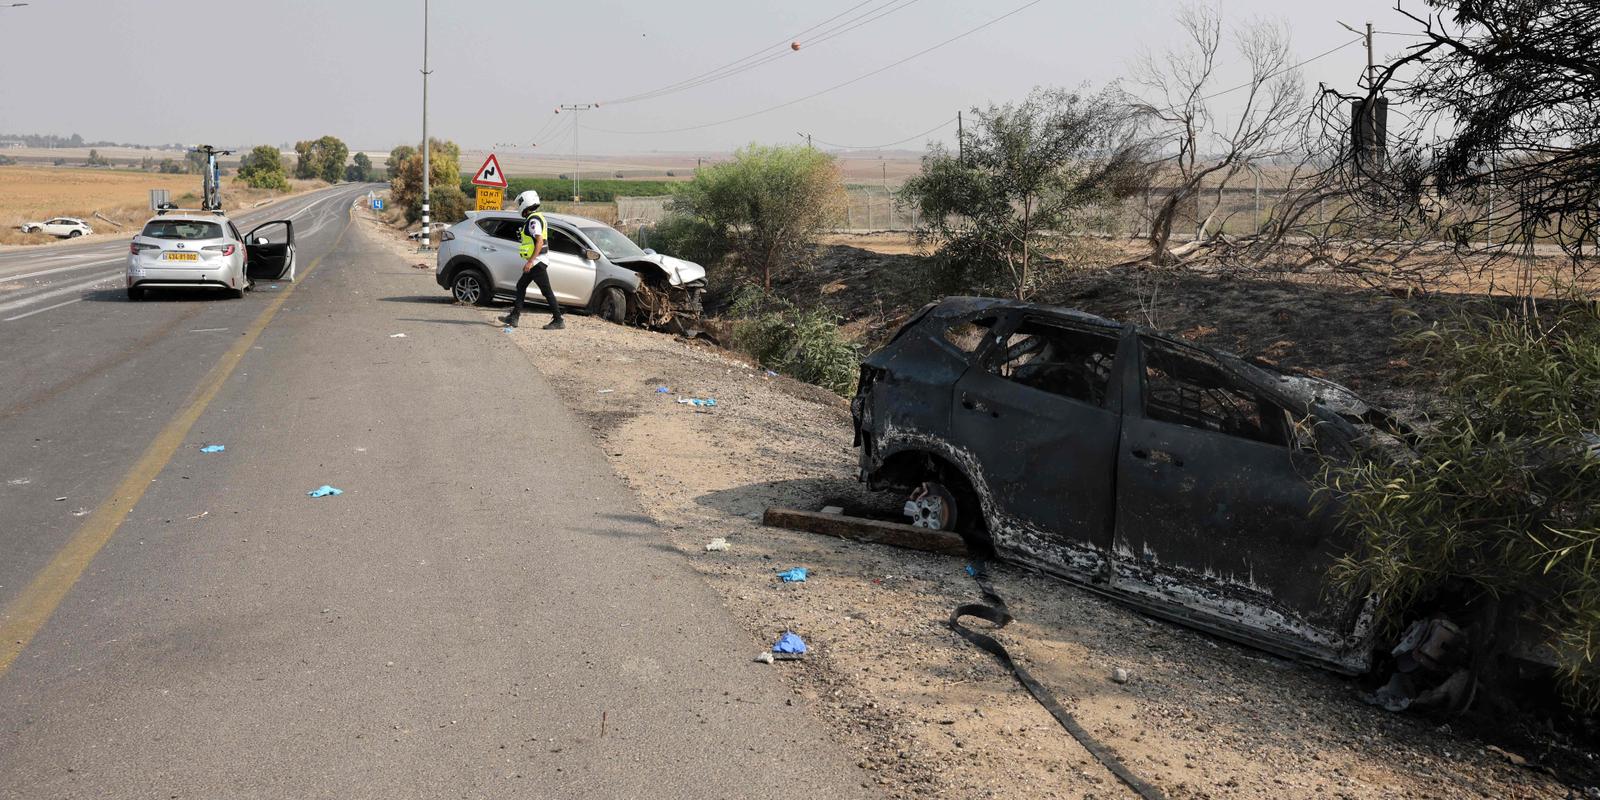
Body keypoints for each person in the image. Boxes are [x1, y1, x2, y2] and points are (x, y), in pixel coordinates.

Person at [499, 190, 565, 330]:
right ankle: (514, 317)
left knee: (546, 291)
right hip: (538, 261)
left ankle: (558, 320)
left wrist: (530, 262)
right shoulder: (534, 218)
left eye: (520, 204)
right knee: (521, 285)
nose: (518, 207)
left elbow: (539, 241)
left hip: (537, 262)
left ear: (526, 204)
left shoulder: (533, 220)